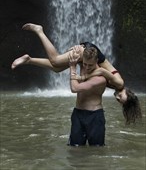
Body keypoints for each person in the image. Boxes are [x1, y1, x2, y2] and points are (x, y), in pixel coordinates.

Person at [11, 23, 142, 124]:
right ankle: (39, 31)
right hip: (91, 53)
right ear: (128, 93)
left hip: (90, 55)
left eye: (119, 101)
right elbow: (101, 70)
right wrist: (81, 77)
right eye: (121, 98)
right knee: (56, 60)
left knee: (56, 69)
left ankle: (29, 60)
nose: (118, 98)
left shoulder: (115, 87)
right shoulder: (119, 83)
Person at [68, 46, 107, 146]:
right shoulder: (82, 65)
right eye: (85, 64)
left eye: (90, 65)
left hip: (94, 116)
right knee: (74, 148)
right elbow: (60, 60)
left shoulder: (100, 78)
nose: (87, 67)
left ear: (97, 61)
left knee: (96, 150)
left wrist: (72, 67)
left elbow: (75, 88)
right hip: (78, 113)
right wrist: (77, 47)